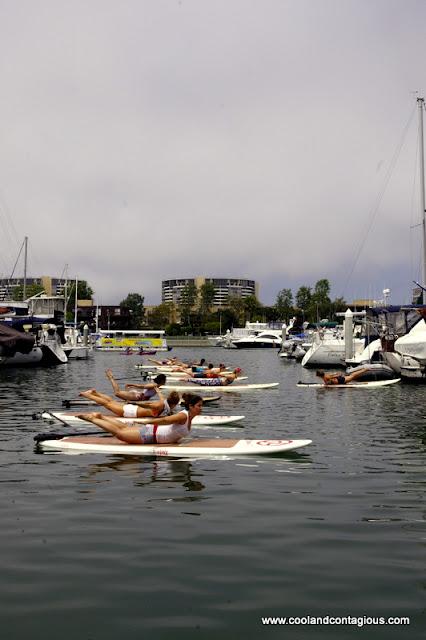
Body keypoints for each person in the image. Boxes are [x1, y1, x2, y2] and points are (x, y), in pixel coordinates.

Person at [76, 394, 204, 444]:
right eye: (199, 406)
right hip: (150, 435)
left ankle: (100, 416)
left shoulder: (188, 416)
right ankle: (92, 419)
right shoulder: (183, 416)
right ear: (191, 406)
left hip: (153, 433)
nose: (201, 408)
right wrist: (147, 421)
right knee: (119, 433)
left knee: (124, 428)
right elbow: (164, 420)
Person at [79, 385, 181, 419]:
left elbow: (161, 398)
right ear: (174, 403)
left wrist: (158, 391)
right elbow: (148, 405)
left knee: (111, 401)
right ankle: (87, 395)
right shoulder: (160, 405)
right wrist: (134, 403)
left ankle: (95, 392)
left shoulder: (164, 403)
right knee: (107, 404)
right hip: (131, 412)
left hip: (133, 410)